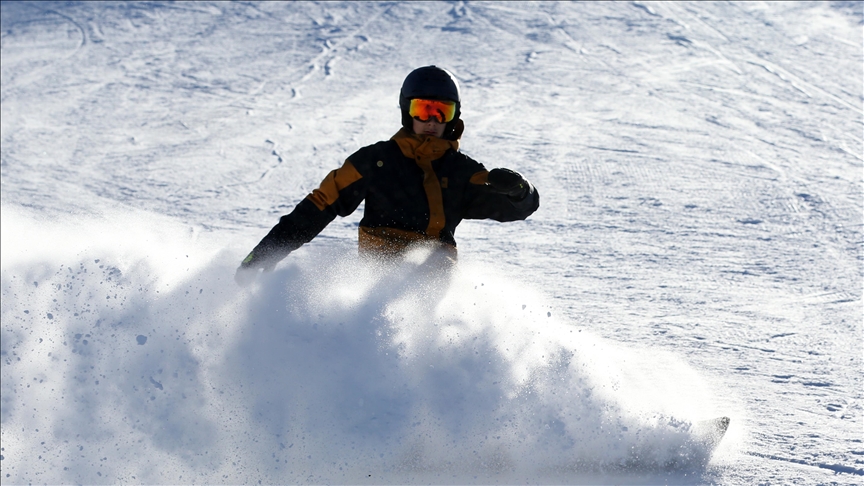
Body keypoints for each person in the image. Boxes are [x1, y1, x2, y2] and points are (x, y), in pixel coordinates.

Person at [235, 65, 539, 284]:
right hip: (378, 268)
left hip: (434, 274)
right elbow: (321, 204)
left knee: (435, 268)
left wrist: (518, 191)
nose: (431, 121)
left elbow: (515, 208)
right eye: (423, 109)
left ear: (453, 117)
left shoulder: (463, 172)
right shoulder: (376, 160)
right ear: (407, 111)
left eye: (441, 112)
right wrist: (267, 251)